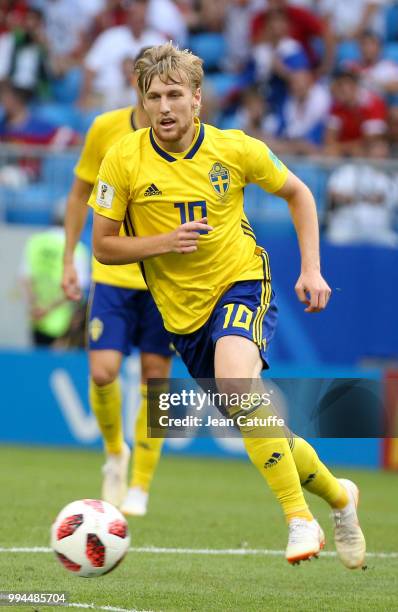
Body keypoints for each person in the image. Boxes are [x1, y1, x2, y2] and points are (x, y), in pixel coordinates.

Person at [89, 42, 366, 568]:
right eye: (154, 96)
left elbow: (300, 193)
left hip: (240, 282)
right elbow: (103, 244)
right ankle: (338, 496)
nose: (164, 106)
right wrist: (163, 242)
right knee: (259, 421)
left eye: (175, 94)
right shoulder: (123, 158)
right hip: (182, 315)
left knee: (240, 387)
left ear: (197, 99)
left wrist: (311, 269)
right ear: (142, 103)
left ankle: (297, 518)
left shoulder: (235, 149)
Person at [62, 48, 173, 516]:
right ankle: (115, 452)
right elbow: (80, 192)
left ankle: (142, 485)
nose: (160, 100)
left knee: (155, 378)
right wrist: (70, 258)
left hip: (164, 279)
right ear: (136, 85)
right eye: (150, 85)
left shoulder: (178, 138)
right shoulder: (106, 129)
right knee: (103, 369)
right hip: (112, 272)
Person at [21, 204, 90, 348]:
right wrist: (49, 309)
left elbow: (26, 279)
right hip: (63, 325)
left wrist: (37, 308)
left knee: (37, 364)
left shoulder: (36, 241)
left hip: (37, 320)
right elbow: (77, 291)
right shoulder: (78, 249)